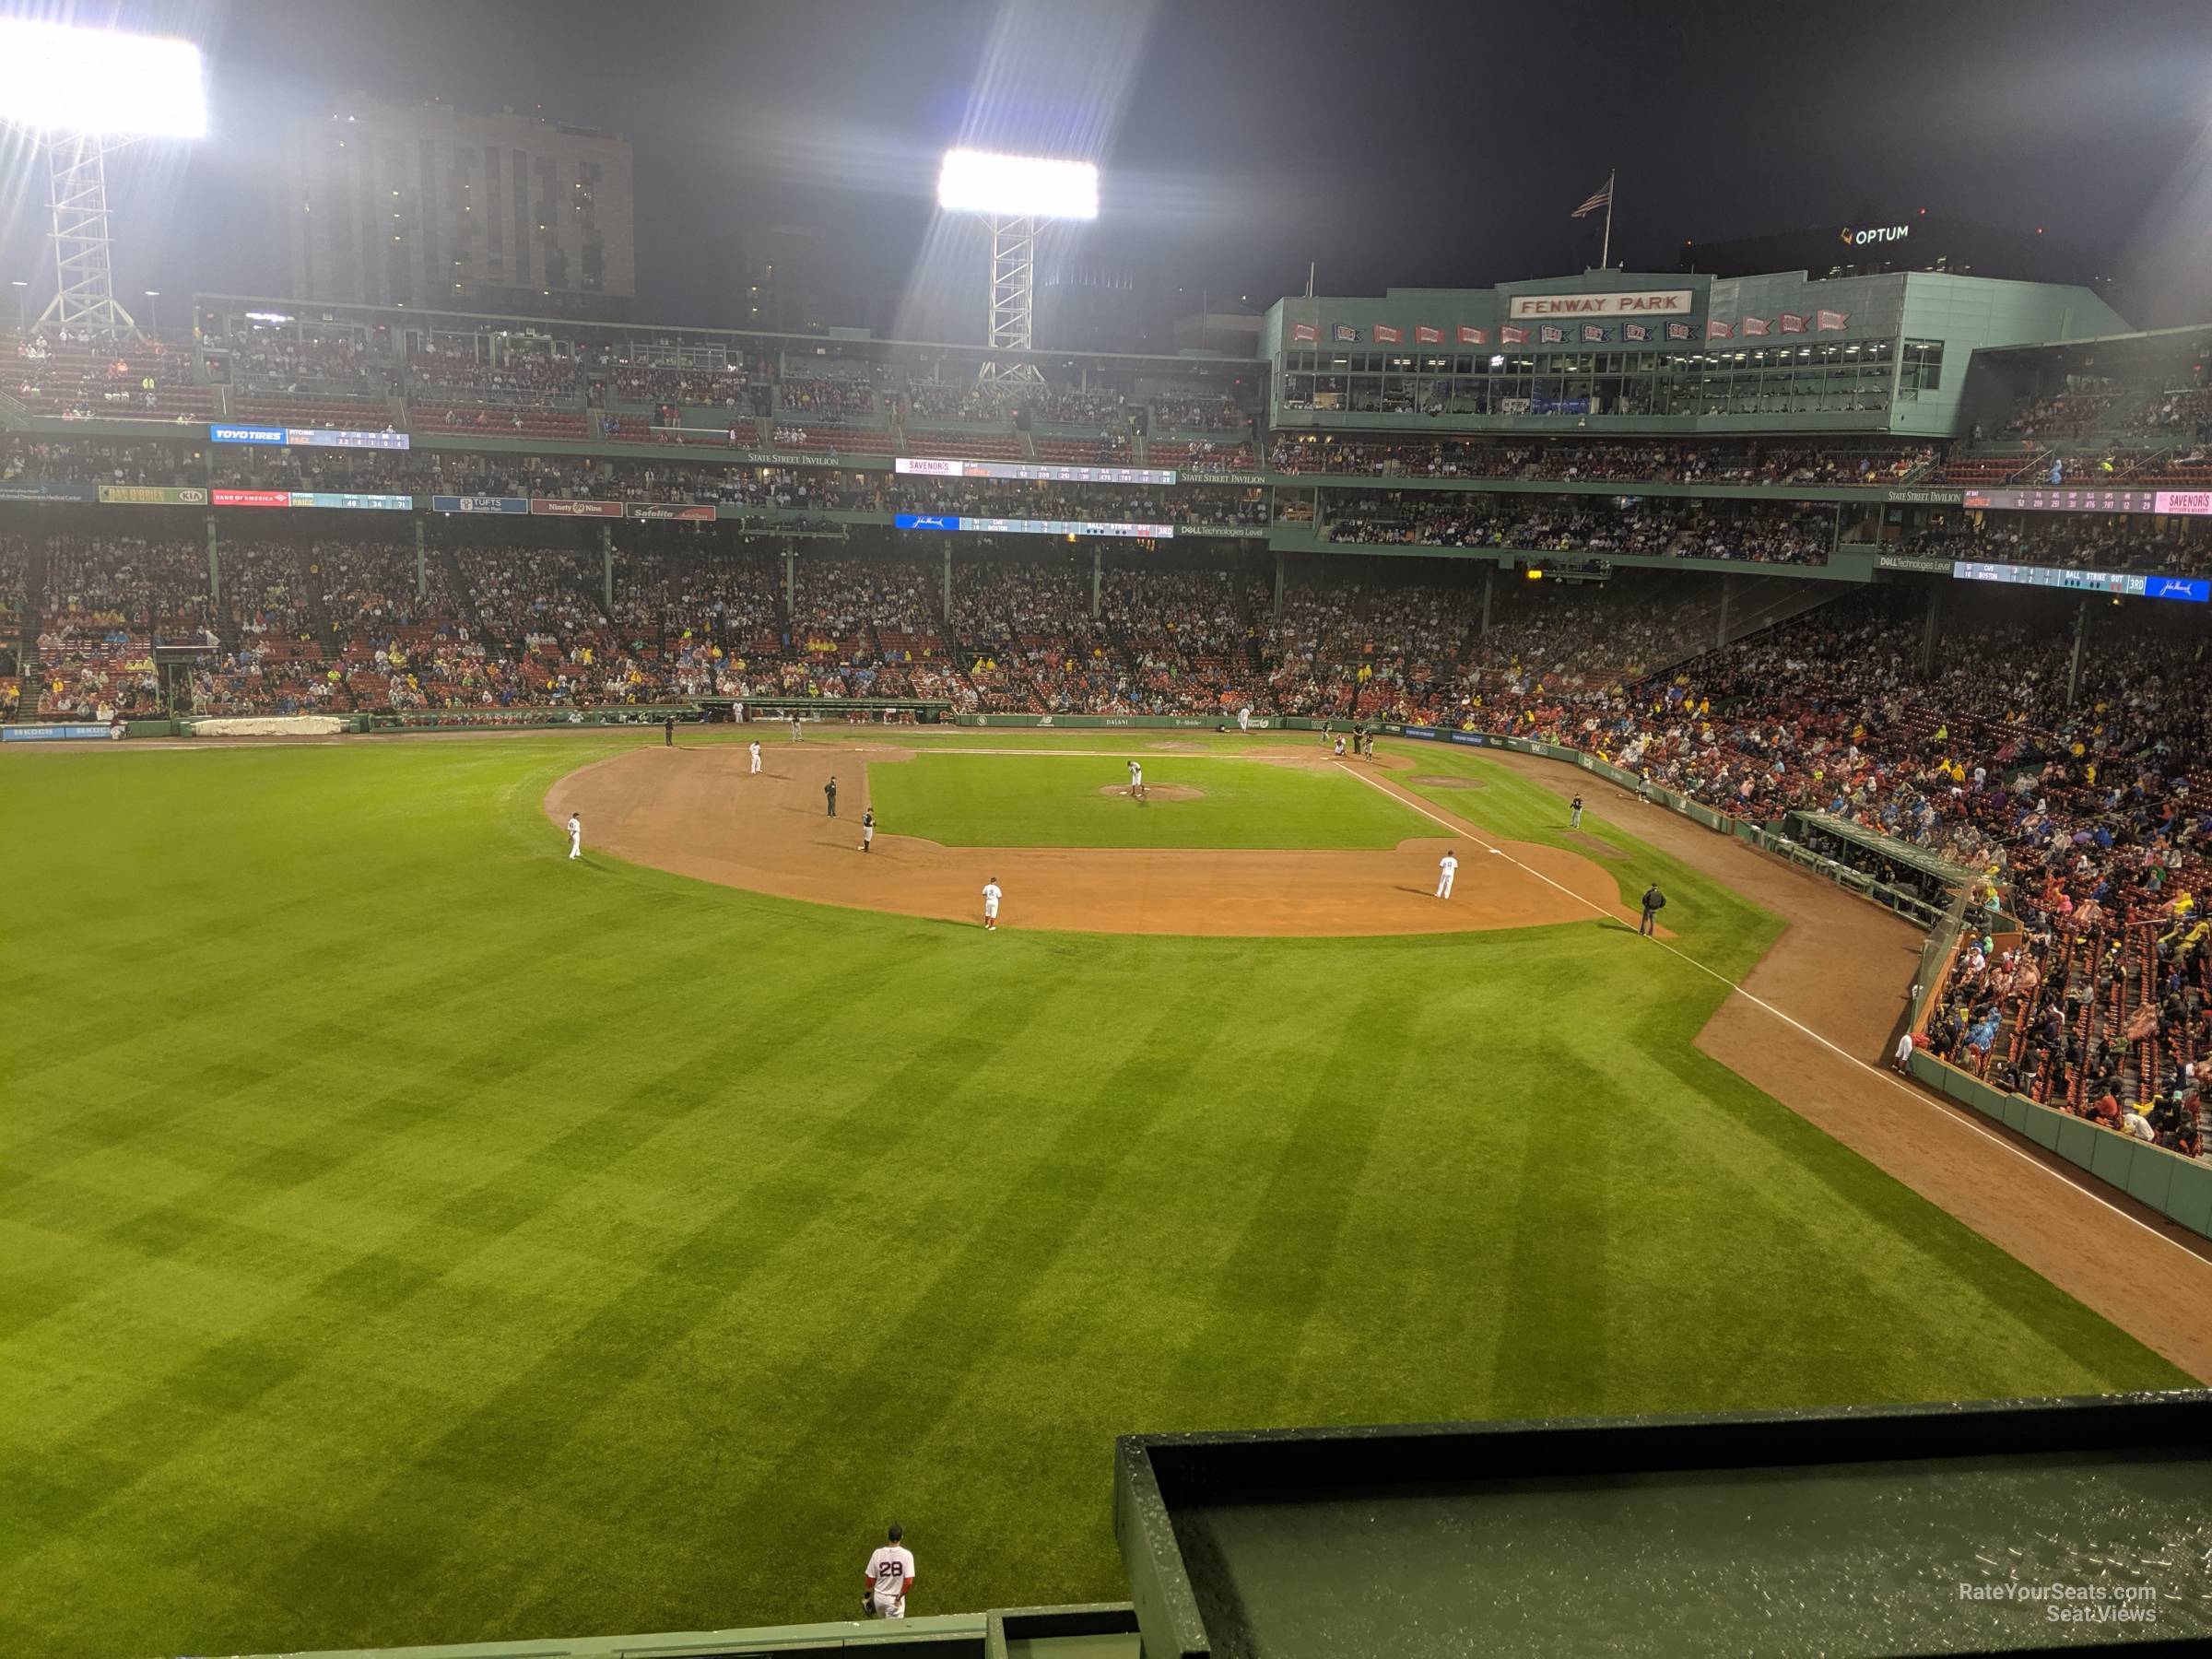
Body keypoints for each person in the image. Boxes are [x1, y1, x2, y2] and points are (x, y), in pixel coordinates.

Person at [862, 1523, 915, 1620]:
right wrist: (898, 1599)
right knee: (894, 1632)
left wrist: (867, 1597)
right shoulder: (907, 1555)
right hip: (894, 1601)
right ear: (901, 1537)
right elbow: (908, 1583)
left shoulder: (877, 1554)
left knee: (883, 1626)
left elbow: (870, 1580)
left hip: (879, 1599)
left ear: (888, 1536)